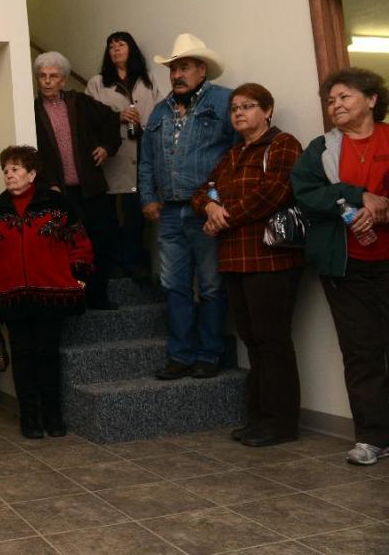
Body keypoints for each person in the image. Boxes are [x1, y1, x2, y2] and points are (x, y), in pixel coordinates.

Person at [191, 83, 304, 447]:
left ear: (267, 110)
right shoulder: (231, 155)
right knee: (252, 343)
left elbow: (274, 192)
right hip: (234, 260)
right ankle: (258, 419)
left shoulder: (283, 144)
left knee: (273, 342)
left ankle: (281, 424)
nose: (239, 113)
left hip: (271, 259)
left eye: (248, 106)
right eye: (234, 108)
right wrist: (209, 207)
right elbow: (202, 191)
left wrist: (225, 217)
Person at [291, 67, 389, 466]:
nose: (336, 105)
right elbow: (305, 191)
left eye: (344, 96)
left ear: (371, 99)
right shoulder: (322, 148)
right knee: (361, 352)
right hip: (344, 269)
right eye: (331, 100)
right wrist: (357, 196)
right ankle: (372, 438)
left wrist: (383, 209)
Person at [0, 146, 94, 439]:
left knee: (47, 355)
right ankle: (29, 419)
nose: (9, 174)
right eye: (5, 170)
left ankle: (53, 418)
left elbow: (79, 240)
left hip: (49, 295)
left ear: (32, 173)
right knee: (23, 357)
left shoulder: (56, 203)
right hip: (11, 297)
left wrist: (78, 275)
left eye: (15, 169)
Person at [138, 33, 235, 380]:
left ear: (201, 69)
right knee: (174, 286)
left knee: (210, 286)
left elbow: (237, 155)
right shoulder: (160, 111)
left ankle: (209, 354)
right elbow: (146, 159)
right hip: (168, 213)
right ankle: (180, 355)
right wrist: (147, 197)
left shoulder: (225, 102)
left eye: (185, 67)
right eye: (173, 68)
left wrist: (219, 200)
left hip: (205, 211)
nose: (177, 74)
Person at [34, 51, 121, 309]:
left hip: (91, 188)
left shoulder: (80, 102)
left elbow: (110, 120)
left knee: (98, 241)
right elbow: (32, 155)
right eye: (42, 76)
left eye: (54, 76)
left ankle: (99, 296)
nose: (47, 81)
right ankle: (73, 298)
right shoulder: (32, 111)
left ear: (64, 80)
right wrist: (47, 183)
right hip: (58, 193)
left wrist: (106, 147)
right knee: (64, 247)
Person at [85, 31, 161, 278]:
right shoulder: (97, 82)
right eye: (111, 46)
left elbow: (160, 113)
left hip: (143, 153)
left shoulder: (147, 80)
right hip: (112, 157)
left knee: (136, 215)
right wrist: (118, 116)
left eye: (121, 44)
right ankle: (112, 265)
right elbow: (88, 117)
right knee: (108, 216)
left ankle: (134, 262)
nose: (116, 49)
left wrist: (145, 125)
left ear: (131, 49)